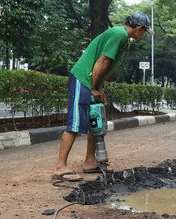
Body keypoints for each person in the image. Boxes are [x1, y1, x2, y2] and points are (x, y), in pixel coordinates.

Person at [53, 12, 152, 181]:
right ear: (140, 28)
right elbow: (102, 62)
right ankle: (60, 167)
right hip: (82, 79)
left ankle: (90, 162)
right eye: (145, 31)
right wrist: (92, 87)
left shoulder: (124, 40)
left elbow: (109, 67)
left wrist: (99, 89)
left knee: (95, 118)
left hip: (90, 81)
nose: (144, 34)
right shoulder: (119, 35)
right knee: (75, 123)